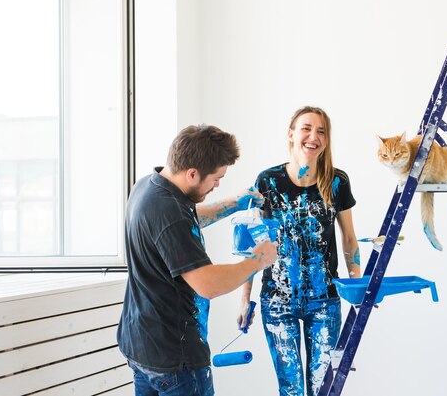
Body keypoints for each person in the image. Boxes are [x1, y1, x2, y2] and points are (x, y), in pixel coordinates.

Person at [117, 124, 278, 396]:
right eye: (216, 178)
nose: (217, 185)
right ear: (192, 173)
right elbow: (208, 285)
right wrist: (257, 261)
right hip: (175, 358)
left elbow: (183, 223)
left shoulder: (149, 187)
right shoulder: (170, 211)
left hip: (142, 346)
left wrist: (234, 203)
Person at [238, 106, 361, 396]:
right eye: (306, 128)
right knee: (291, 389)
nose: (313, 136)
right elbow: (253, 245)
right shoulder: (268, 182)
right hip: (277, 303)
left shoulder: (336, 181)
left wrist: (356, 287)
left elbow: (349, 240)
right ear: (291, 134)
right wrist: (244, 298)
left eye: (321, 131)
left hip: (325, 302)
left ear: (326, 140)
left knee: (324, 389)